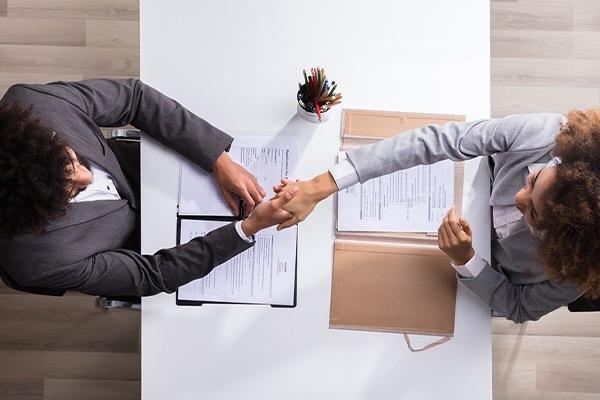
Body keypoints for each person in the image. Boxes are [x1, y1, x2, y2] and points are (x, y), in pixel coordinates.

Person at [273, 110, 600, 323]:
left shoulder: (577, 270)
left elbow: (519, 306)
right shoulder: (545, 135)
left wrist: (467, 260)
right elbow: (440, 141)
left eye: (534, 214)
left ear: (562, 244)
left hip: (469, 279)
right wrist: (321, 184)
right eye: (532, 179)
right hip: (463, 182)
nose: (518, 196)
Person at [0, 78, 298, 297]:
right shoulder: (38, 260)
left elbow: (134, 98)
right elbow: (150, 276)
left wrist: (217, 158)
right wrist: (247, 229)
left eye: (73, 162)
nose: (87, 178)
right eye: (72, 192)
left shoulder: (36, 103)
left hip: (146, 168)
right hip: (137, 247)